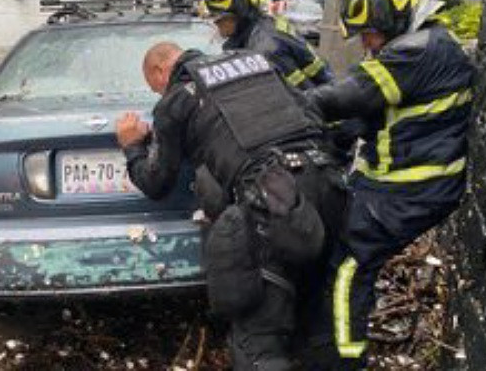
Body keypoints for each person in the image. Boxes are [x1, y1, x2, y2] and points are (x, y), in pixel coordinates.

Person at [116, 42, 347, 370]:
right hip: (328, 182)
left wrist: (132, 147)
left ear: (159, 71)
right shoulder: (256, 61)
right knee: (319, 319)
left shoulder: (178, 98)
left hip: (273, 197)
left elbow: (156, 184)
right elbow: (310, 110)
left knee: (258, 337)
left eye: (155, 87)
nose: (158, 93)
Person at [304, 0, 476, 368]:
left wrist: (289, 107)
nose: (365, 43)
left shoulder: (415, 51)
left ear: (391, 22)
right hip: (399, 183)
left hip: (412, 189)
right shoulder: (427, 44)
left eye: (369, 33)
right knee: (336, 241)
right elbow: (372, 116)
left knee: (349, 264)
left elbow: (348, 95)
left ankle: (344, 359)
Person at [203, 0, 331, 90]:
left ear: (241, 14)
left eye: (221, 18)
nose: (216, 22)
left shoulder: (264, 51)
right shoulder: (267, 26)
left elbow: (291, 100)